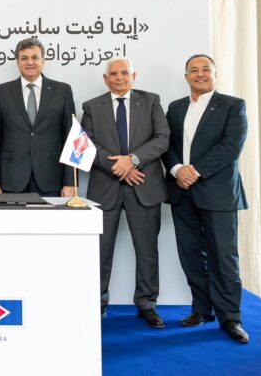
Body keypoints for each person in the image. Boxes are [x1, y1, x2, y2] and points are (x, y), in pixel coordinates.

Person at [163, 54, 249, 343]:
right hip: (181, 191)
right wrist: (177, 169)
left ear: (215, 73)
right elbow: (166, 145)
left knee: (224, 257)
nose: (199, 74)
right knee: (191, 255)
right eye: (193, 70)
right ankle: (201, 309)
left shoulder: (233, 105)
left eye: (205, 69)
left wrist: (194, 171)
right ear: (186, 76)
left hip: (218, 192)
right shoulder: (175, 107)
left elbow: (231, 147)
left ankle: (231, 317)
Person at [81, 57, 169, 328]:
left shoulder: (151, 101)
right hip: (105, 188)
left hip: (144, 186)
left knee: (147, 250)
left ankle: (147, 303)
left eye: (124, 73)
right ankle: (97, 303)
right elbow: (87, 145)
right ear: (105, 78)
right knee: (99, 251)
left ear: (134, 76)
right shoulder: (91, 106)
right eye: (113, 74)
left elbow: (162, 139)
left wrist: (132, 160)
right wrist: (119, 168)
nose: (119, 78)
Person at [0, 37, 75, 196]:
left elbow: (71, 139)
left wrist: (70, 183)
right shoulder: (2, 92)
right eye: (24, 58)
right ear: (17, 62)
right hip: (11, 180)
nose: (30, 62)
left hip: (51, 179)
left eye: (35, 57)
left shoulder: (63, 91)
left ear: (43, 60)